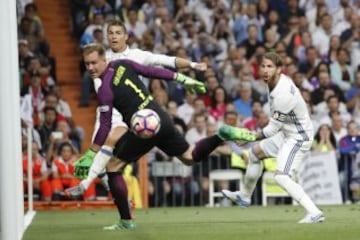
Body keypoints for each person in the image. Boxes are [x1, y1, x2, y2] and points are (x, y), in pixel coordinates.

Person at [66, 43, 254, 229]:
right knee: (189, 156)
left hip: (143, 130)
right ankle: (220, 135)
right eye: (87, 64)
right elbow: (151, 71)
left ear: (103, 59)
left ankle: (126, 221)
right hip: (160, 117)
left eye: (93, 63)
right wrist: (182, 78)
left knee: (113, 168)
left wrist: (91, 154)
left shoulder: (104, 90)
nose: (90, 68)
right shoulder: (122, 63)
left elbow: (105, 124)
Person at [221, 52, 325, 224]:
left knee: (281, 176)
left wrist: (248, 136)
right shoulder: (274, 82)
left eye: (270, 66)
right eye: (263, 66)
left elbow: (270, 130)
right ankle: (244, 196)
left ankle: (314, 212)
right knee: (254, 154)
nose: (265, 70)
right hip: (286, 132)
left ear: (279, 69)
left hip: (298, 137)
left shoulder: (283, 94)